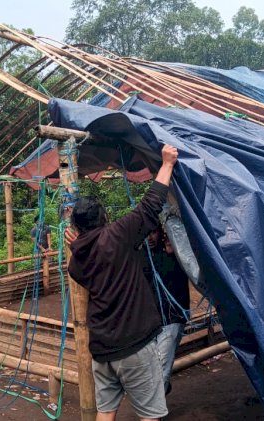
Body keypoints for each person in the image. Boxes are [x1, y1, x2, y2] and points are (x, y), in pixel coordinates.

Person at [67, 144, 178, 421]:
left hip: (102, 348)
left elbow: (89, 257)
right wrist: (166, 164)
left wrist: (76, 246)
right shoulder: (116, 236)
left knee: (105, 411)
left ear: (77, 228)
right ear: (104, 218)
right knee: (150, 414)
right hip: (134, 345)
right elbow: (151, 205)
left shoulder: (76, 261)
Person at [145, 225, 191, 396]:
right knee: (151, 368)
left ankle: (154, 411)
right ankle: (162, 392)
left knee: (160, 368)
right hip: (150, 322)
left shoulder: (175, 253)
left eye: (153, 232)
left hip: (172, 319)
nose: (149, 237)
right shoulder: (142, 257)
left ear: (161, 233)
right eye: (146, 233)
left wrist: (177, 250)